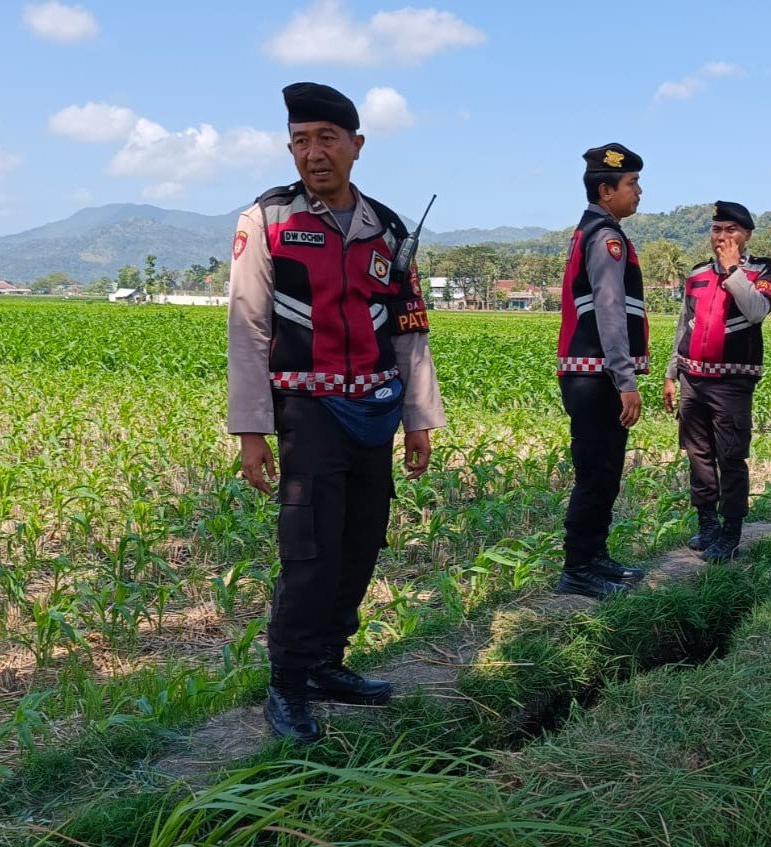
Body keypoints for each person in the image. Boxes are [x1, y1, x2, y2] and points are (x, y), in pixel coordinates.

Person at [227, 82, 445, 740]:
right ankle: (288, 685)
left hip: (374, 409)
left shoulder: (389, 230)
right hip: (307, 407)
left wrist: (419, 416)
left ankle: (327, 662)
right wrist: (251, 429)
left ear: (357, 145)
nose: (313, 153)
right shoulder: (266, 220)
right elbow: (248, 326)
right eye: (301, 141)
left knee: (360, 541)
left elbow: (409, 326)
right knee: (312, 549)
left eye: (327, 139)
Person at [554, 143, 650, 599]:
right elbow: (610, 311)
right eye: (632, 183)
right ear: (606, 190)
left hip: (594, 373)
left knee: (605, 471)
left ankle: (595, 557)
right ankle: (578, 568)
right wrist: (625, 380)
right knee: (596, 473)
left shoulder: (595, 231)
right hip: (597, 376)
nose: (639, 191)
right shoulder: (605, 237)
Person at [663, 202, 771, 561]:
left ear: (747, 235)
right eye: (717, 229)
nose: (723, 236)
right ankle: (707, 523)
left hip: (732, 382)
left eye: (731, 230)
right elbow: (684, 325)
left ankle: (731, 531)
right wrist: (671, 374)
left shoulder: (763, 270)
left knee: (730, 456)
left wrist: (732, 270)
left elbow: (757, 311)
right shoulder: (698, 273)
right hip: (692, 379)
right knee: (697, 454)